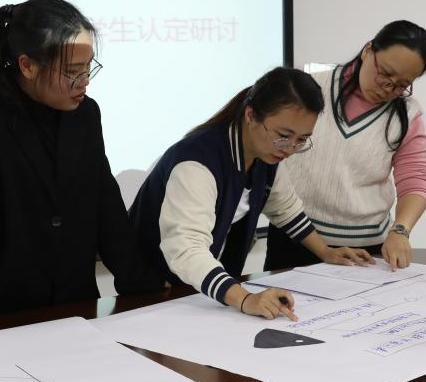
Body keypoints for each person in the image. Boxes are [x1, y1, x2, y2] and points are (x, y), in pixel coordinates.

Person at [0, 0, 161, 330]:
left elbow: (106, 207)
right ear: (27, 65)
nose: (84, 81)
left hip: (76, 307)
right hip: (5, 315)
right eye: (72, 72)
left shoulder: (85, 114)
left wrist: (143, 284)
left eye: (88, 68)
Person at [129, 67, 373, 321]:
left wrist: (326, 252)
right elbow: (186, 249)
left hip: (198, 289)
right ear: (250, 115)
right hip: (155, 287)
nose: (290, 149)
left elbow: (285, 208)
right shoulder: (198, 162)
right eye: (283, 136)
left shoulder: (266, 155)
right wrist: (245, 299)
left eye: (301, 140)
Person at [264, 20, 426, 271]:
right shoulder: (309, 89)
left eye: (401, 85)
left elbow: (414, 181)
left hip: (366, 251)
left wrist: (400, 230)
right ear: (368, 50)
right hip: (294, 239)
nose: (388, 88)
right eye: (385, 74)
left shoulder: (406, 115)